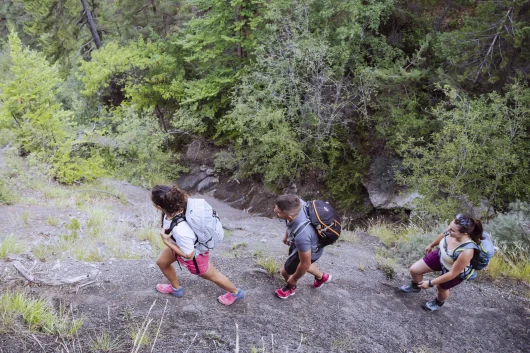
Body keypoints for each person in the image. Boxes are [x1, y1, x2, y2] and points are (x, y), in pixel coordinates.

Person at [151, 185, 244, 306]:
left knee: (213, 275)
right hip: (179, 246)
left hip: (194, 256)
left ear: (158, 207)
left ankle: (235, 292)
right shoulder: (179, 205)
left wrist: (166, 242)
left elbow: (189, 255)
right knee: (162, 262)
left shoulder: (181, 229)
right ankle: (176, 289)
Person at [399, 214, 484, 311]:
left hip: (453, 271)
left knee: (441, 287)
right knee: (415, 270)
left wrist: (430, 283)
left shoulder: (467, 251)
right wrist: (431, 245)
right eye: (449, 226)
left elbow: (452, 274)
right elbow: (443, 234)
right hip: (442, 255)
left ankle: (438, 302)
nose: (448, 230)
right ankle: (415, 286)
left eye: (452, 230)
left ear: (464, 233)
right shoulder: (452, 229)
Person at [273, 194, 332, 299]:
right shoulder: (298, 203)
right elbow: (291, 222)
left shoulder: (302, 236)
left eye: (278, 211)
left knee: (285, 272)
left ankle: (291, 288)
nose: (274, 210)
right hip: (317, 242)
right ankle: (321, 277)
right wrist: (287, 235)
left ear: (289, 216)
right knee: (305, 263)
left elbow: (305, 263)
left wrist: (294, 279)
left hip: (309, 247)